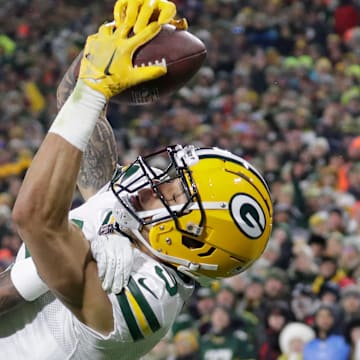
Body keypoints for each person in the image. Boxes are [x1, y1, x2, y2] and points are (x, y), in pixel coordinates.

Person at [0, 0, 273, 359]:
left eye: (173, 196)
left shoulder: (145, 303)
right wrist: (116, 39)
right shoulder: (144, 226)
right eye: (173, 176)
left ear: (192, 244)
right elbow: (73, 96)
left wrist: (94, 91)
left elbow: (35, 221)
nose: (153, 186)